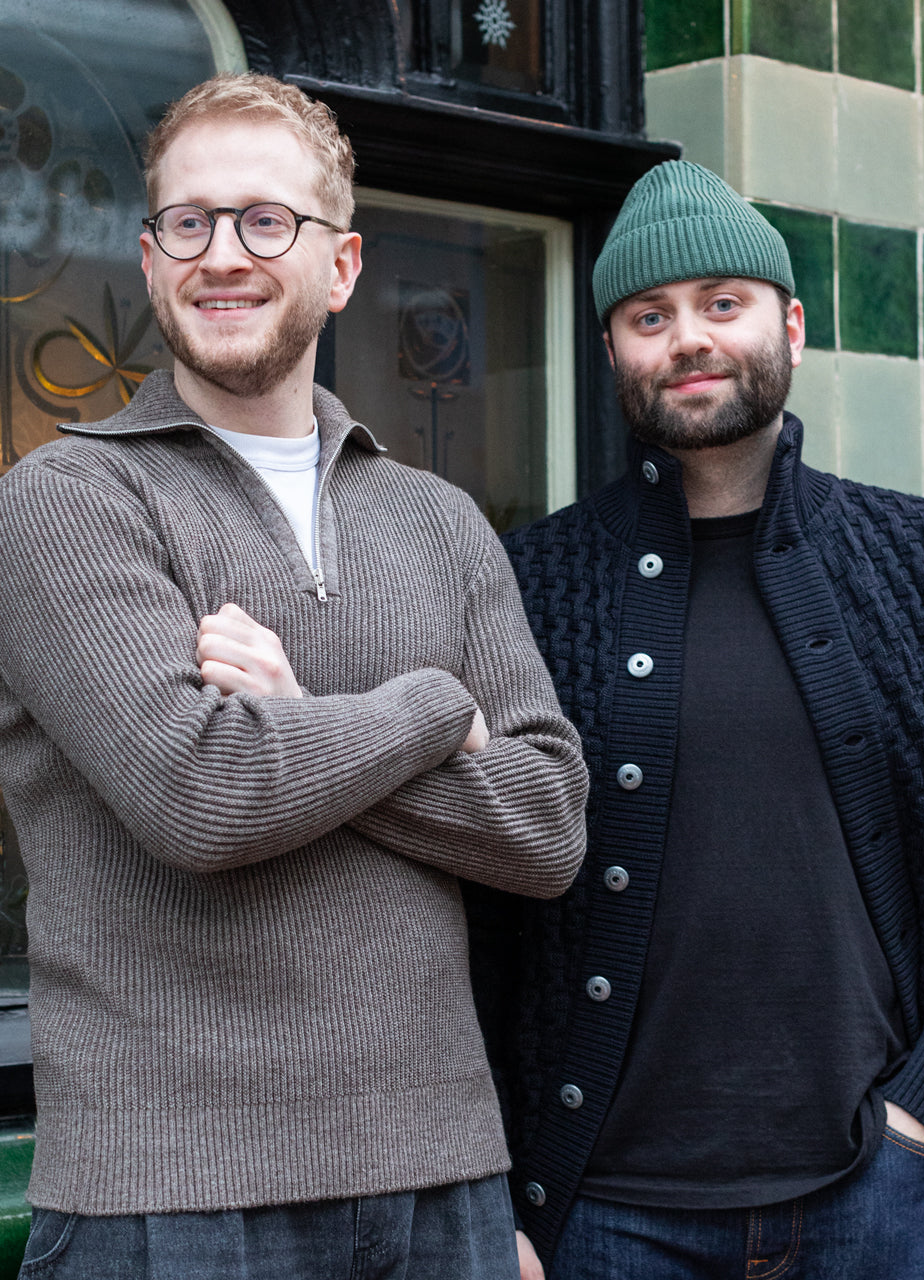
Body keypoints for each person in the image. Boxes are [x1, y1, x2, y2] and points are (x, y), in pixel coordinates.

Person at [0, 72, 588, 1280]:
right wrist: (434, 708)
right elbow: (199, 795)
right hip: (171, 1201)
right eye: (189, 222)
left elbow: (547, 825)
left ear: (343, 264)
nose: (224, 254)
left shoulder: (439, 521)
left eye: (266, 220)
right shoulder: (66, 500)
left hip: (442, 1183)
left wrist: (301, 721)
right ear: (151, 260)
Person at [466, 159, 924, 1280]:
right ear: (613, 351)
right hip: (604, 1217)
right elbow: (474, 904)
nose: (688, 339)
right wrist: (496, 1190)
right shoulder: (526, 582)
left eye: (723, 303)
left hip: (872, 1197)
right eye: (649, 316)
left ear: (792, 327)